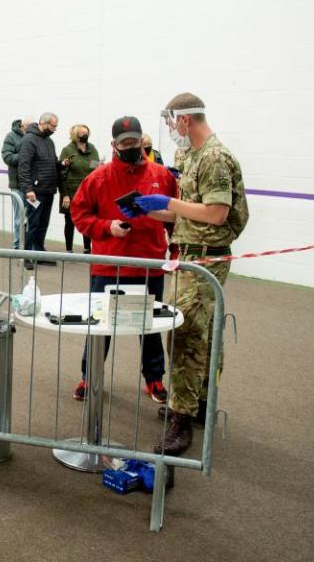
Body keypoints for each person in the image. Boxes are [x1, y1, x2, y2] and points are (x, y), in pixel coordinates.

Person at [124, 93, 250, 456]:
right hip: (189, 254)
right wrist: (148, 211)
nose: (170, 130)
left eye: (171, 121)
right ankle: (196, 405)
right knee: (200, 333)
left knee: (186, 336)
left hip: (205, 259)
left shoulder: (213, 157)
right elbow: (186, 214)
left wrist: (169, 203)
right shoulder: (191, 156)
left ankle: (182, 421)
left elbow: (216, 214)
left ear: (185, 120)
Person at [70, 115, 177, 404]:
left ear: (143, 140)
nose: (131, 146)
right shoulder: (98, 178)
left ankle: (154, 379)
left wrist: (176, 255)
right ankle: (89, 375)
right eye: (124, 143)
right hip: (109, 266)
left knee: (150, 327)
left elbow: (176, 220)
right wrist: (107, 228)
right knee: (99, 326)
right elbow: (80, 215)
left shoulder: (162, 176)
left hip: (149, 266)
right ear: (114, 144)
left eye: (135, 141)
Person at [18, 112, 61, 269]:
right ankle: (27, 255)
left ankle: (39, 253)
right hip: (35, 191)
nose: (55, 129)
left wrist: (62, 164)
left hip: (48, 189)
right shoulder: (29, 140)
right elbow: (24, 166)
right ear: (43, 123)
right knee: (33, 223)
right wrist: (28, 188)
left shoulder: (49, 141)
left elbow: (53, 162)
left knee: (43, 223)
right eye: (53, 126)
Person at [58, 124, 100, 253]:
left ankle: (87, 249)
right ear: (75, 135)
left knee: (87, 219)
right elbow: (60, 174)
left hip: (89, 191)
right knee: (70, 221)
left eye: (86, 132)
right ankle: (69, 250)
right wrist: (64, 195)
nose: (84, 135)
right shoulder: (67, 150)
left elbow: (95, 166)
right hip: (71, 192)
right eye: (81, 133)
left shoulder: (92, 149)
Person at [2, 117, 34, 249]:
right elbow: (7, 157)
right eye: (30, 126)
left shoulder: (34, 137)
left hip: (33, 185)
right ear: (22, 126)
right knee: (19, 217)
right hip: (18, 185)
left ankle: (29, 246)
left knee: (32, 217)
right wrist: (24, 154)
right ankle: (17, 246)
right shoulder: (11, 136)